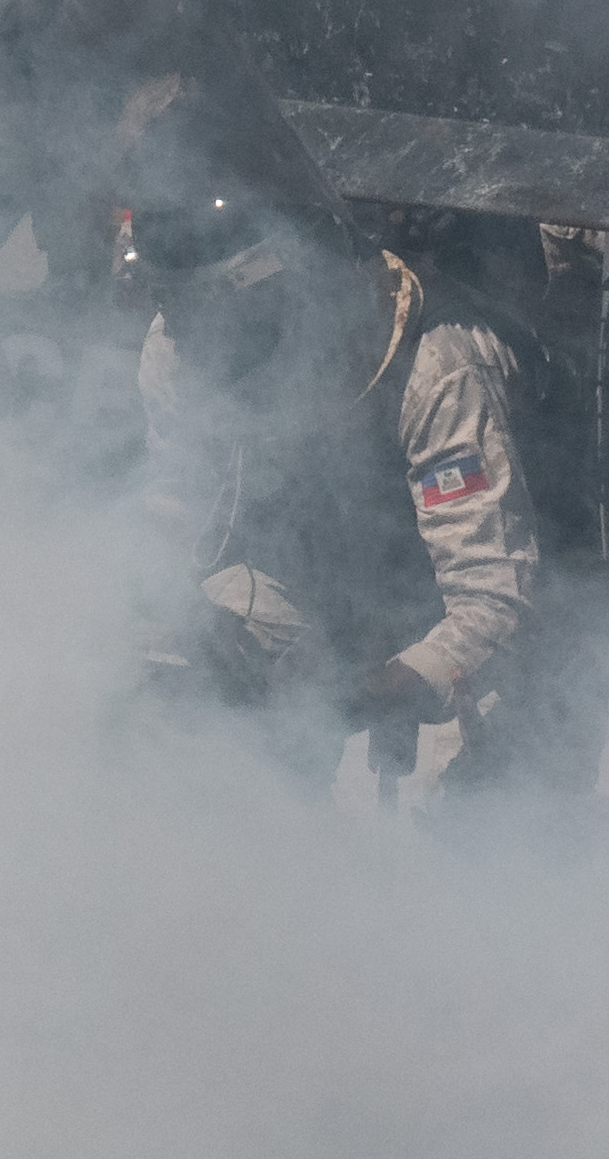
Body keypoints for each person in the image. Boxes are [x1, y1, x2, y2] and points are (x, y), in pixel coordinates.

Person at [104, 81, 539, 776]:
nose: (213, 351)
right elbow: (177, 508)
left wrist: (383, 689)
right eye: (197, 327)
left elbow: (494, 601)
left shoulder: (437, 367)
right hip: (316, 589)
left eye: (236, 330)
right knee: (158, 712)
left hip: (458, 621)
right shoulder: (179, 353)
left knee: (448, 803)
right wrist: (166, 624)